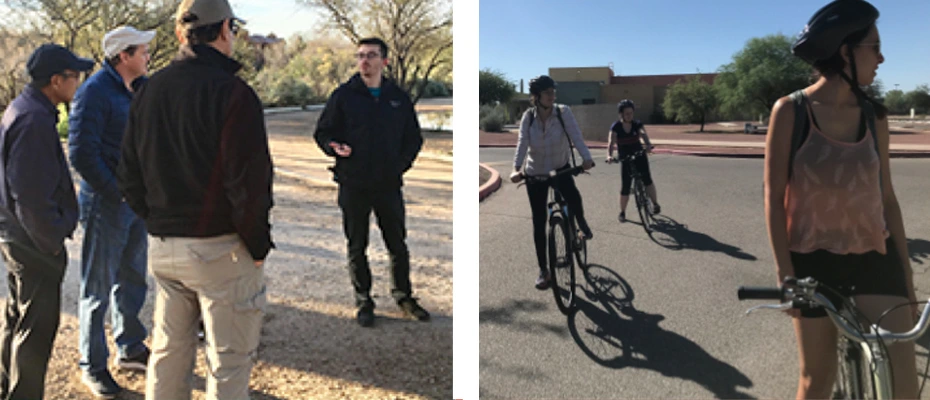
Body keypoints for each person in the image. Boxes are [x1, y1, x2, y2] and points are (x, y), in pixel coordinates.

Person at [116, 0, 274, 398]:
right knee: (229, 361)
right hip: (220, 249)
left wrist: (156, 220)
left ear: (179, 34)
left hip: (165, 247)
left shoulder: (149, 91)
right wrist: (257, 243)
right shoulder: (234, 94)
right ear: (225, 30)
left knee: (169, 355)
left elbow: (128, 174)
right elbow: (250, 184)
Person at [764, 1, 917, 398]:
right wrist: (785, 275)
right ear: (845, 51)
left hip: (873, 258)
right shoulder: (791, 112)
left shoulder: (874, 116)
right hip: (812, 263)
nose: (882, 58)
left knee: (904, 384)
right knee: (817, 379)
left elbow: (888, 200)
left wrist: (907, 276)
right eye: (874, 47)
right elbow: (774, 196)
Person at [314, 37, 429, 328]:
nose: (364, 61)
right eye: (360, 55)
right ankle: (364, 300)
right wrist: (333, 147)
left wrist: (399, 167)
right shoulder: (343, 96)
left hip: (388, 185)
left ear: (384, 62)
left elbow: (413, 139)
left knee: (397, 244)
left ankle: (404, 297)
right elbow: (323, 133)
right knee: (357, 245)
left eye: (371, 55)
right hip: (353, 184)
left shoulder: (397, 98)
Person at [0, 43, 93, 400]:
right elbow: (30, 195)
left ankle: (9, 389)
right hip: (32, 242)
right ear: (56, 81)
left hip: (18, 236)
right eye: (75, 76)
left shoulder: (24, 109)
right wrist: (51, 242)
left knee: (19, 321)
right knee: (35, 332)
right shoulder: (34, 120)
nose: (78, 82)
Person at [68, 26, 155, 398]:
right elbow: (80, 153)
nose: (148, 55)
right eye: (143, 50)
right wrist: (116, 192)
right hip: (107, 204)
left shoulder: (138, 88)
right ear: (124, 56)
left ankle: (130, 346)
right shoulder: (94, 92)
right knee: (97, 289)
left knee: (133, 278)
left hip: (135, 202)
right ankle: (93, 365)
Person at [509, 75, 595, 290]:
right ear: (537, 96)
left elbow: (576, 137)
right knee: (538, 222)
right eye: (548, 93)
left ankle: (580, 225)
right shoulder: (528, 118)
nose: (552, 96)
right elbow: (522, 144)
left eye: (553, 92)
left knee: (573, 197)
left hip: (560, 167)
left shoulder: (563, 112)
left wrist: (586, 158)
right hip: (535, 172)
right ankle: (543, 270)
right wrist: (516, 169)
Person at [605, 99, 660, 222]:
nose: (629, 115)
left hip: (639, 154)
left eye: (631, 113)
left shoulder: (637, 124)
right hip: (625, 158)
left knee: (647, 180)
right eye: (627, 113)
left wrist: (648, 145)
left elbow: (643, 134)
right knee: (626, 186)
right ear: (621, 114)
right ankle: (622, 212)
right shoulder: (616, 127)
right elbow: (611, 142)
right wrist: (609, 155)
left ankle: (655, 204)